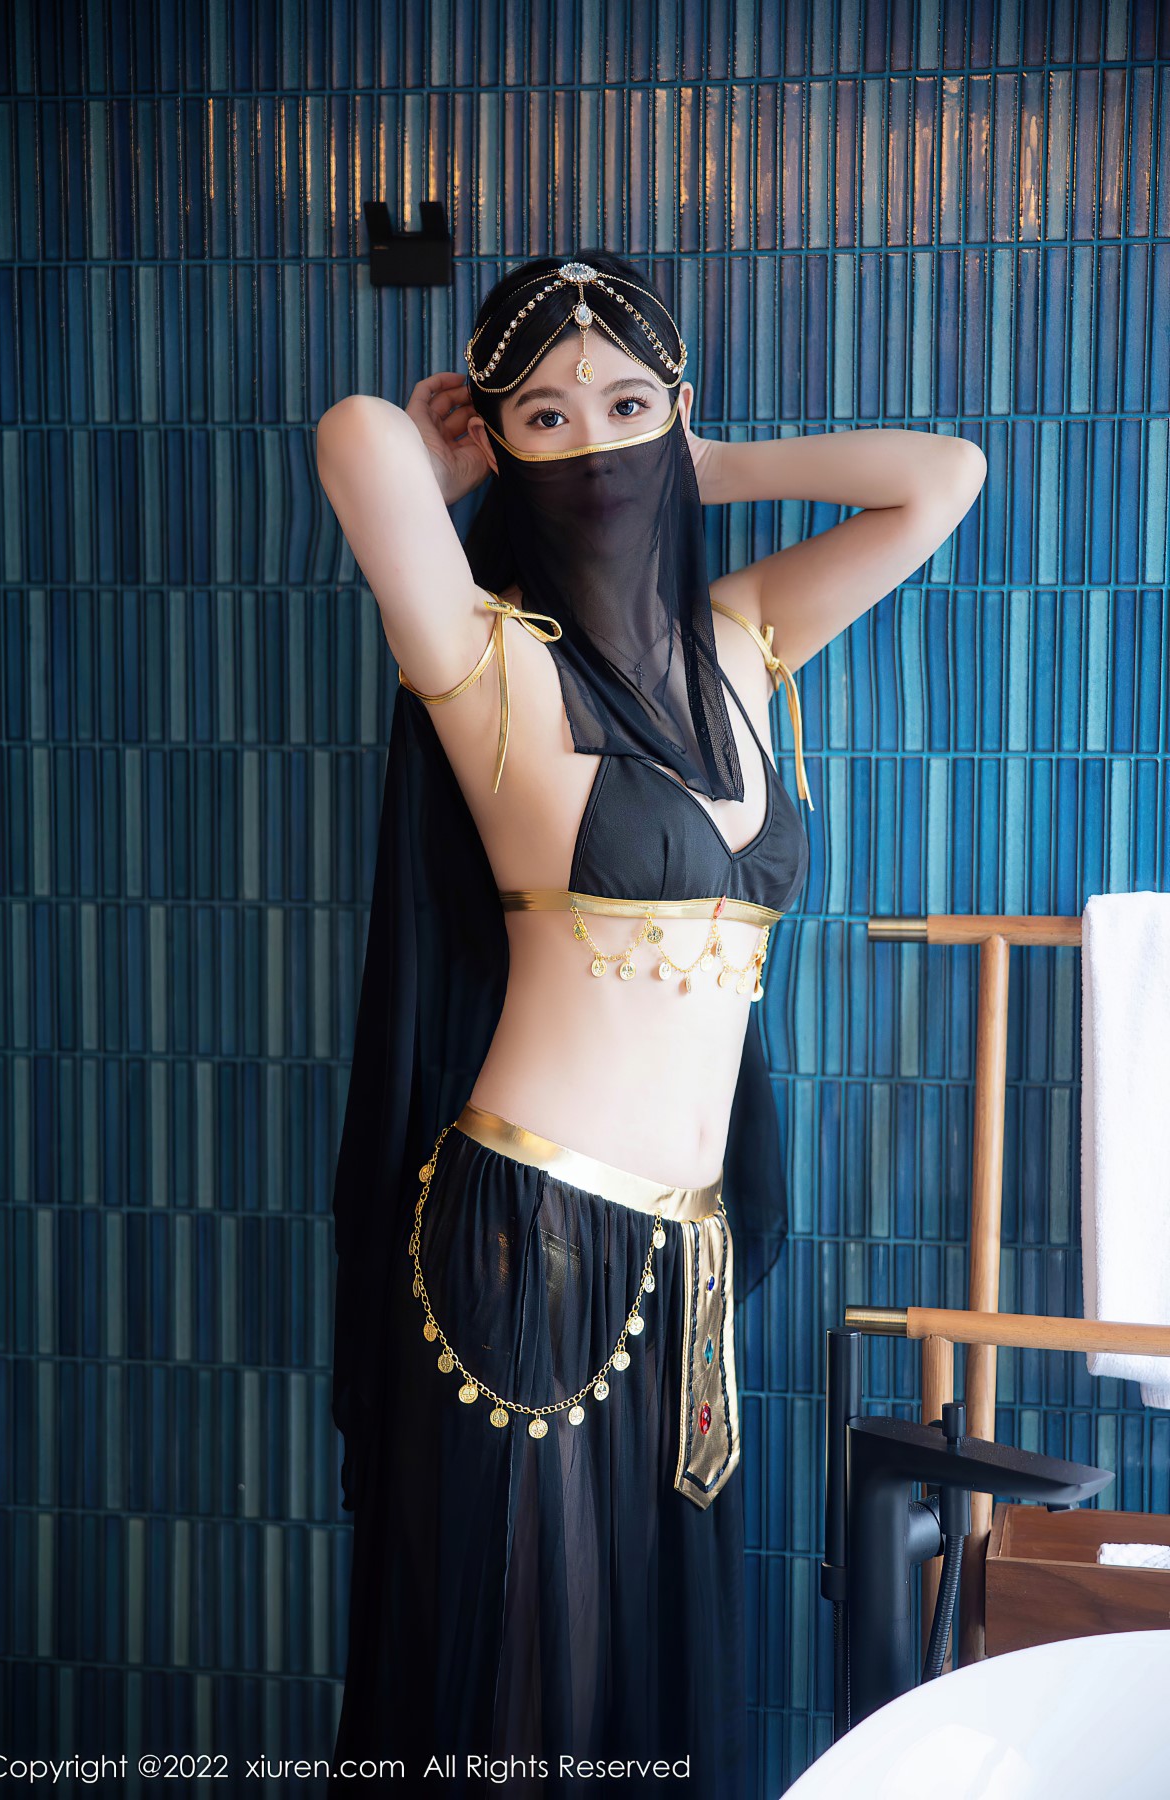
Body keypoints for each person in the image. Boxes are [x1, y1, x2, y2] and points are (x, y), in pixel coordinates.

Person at [315, 251, 986, 1796]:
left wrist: (705, 458)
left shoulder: (748, 636)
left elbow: (942, 478)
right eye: (547, 416)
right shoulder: (483, 661)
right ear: (501, 440)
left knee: (636, 1683)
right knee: (528, 1687)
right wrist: (450, 459)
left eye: (624, 403)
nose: (594, 443)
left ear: (676, 407)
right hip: (526, 1232)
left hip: (688, 1250)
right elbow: (356, 437)